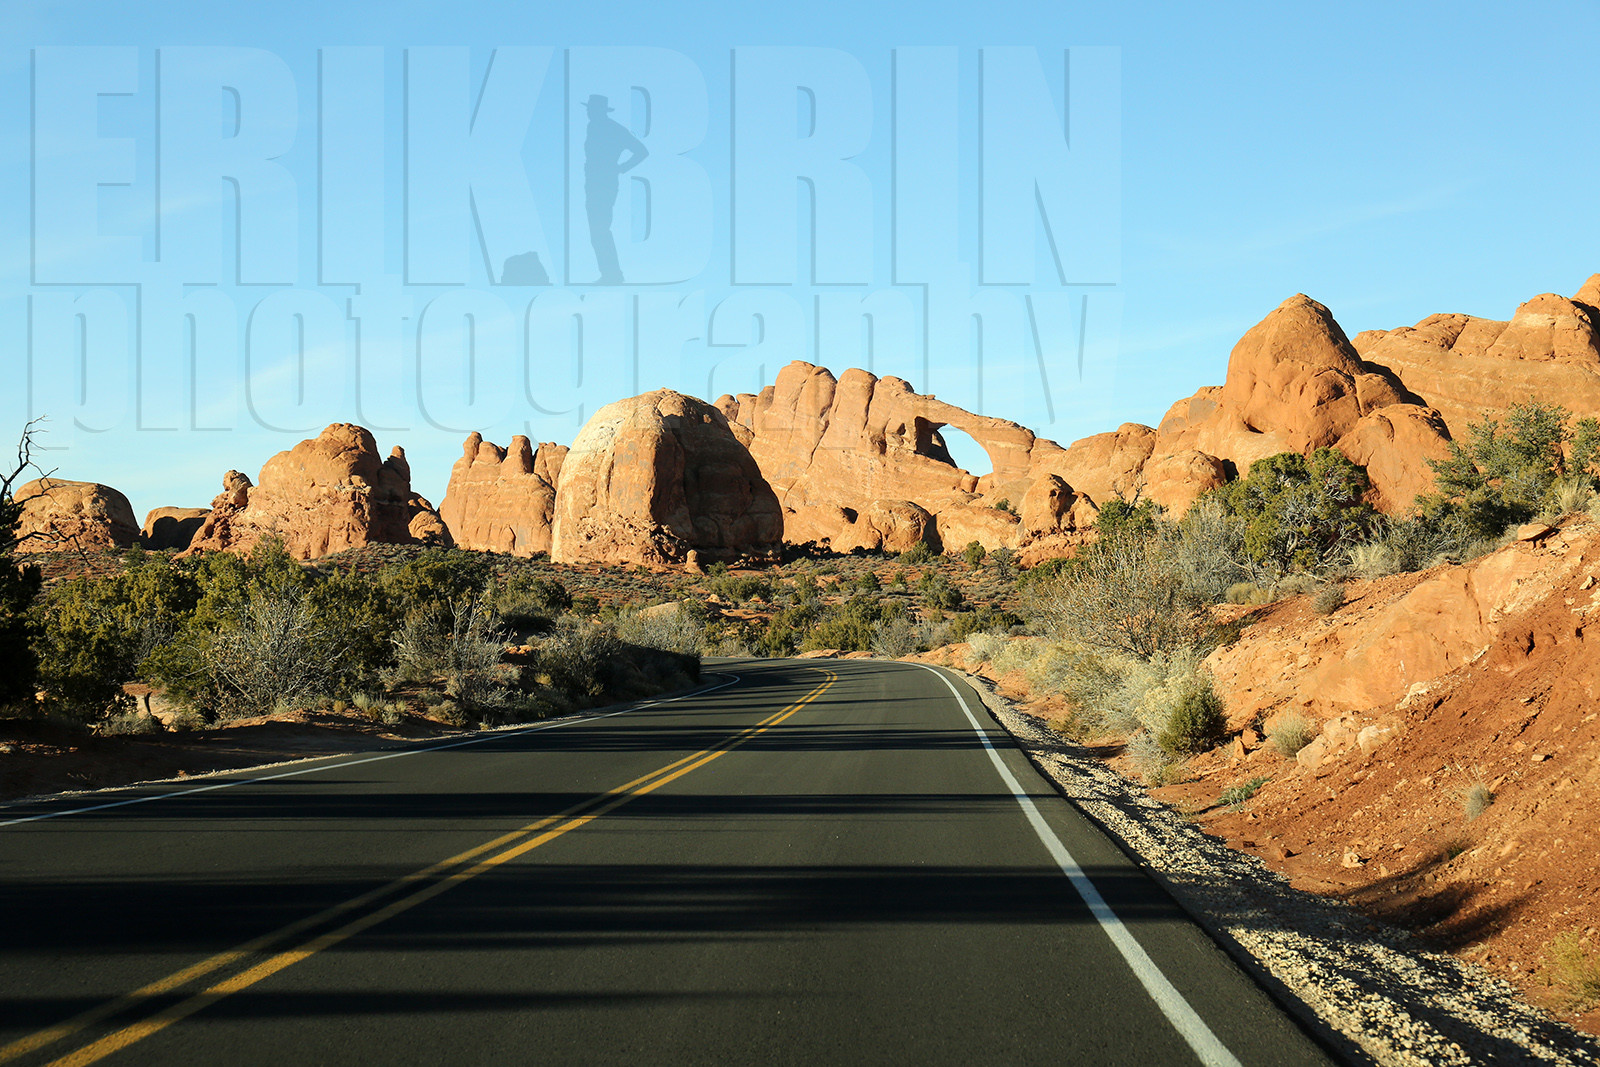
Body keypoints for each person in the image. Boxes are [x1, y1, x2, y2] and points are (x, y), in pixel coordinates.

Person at [582, 94, 647, 285]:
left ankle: (612, 275)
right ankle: (609, 274)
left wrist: (621, 168)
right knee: (597, 230)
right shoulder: (592, 127)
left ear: (599, 110)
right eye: (588, 109)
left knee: (600, 229)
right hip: (593, 183)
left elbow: (642, 151)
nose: (588, 112)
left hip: (604, 184)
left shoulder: (613, 129)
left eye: (591, 109)